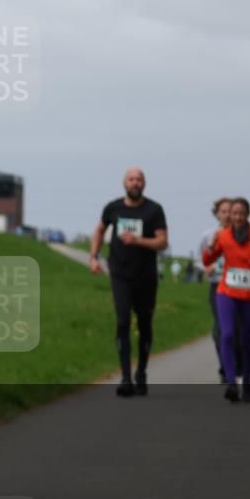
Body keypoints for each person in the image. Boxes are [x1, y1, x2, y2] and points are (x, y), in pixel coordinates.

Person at [89, 168, 168, 397]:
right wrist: (94, 257)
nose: (135, 183)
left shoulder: (154, 210)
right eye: (131, 179)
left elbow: (162, 242)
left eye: (139, 179)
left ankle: (141, 373)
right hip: (120, 274)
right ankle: (125, 377)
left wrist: (138, 240)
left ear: (144, 183)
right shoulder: (114, 208)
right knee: (123, 321)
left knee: (144, 324)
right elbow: (99, 230)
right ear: (124, 183)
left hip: (146, 276)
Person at [203, 197, 250, 403]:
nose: (236, 217)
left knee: (245, 340)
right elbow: (208, 259)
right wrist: (211, 245)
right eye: (233, 213)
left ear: (248, 215)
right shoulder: (224, 236)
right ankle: (230, 382)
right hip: (226, 293)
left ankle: (246, 379)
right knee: (227, 335)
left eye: (240, 214)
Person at [199, 197, 241, 384]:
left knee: (236, 329)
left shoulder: (242, 234)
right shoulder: (208, 235)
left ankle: (237, 366)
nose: (226, 215)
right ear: (217, 214)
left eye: (230, 211)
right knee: (220, 330)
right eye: (223, 211)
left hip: (238, 286)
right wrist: (205, 268)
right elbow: (199, 260)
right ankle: (225, 367)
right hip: (218, 285)